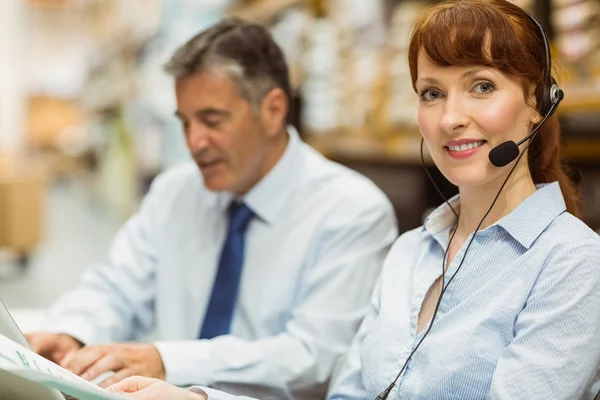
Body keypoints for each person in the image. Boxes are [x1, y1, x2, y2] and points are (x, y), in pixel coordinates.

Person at [107, 1, 600, 399]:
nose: (451, 118)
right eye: (432, 93)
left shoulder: (572, 263)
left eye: (482, 87)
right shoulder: (411, 253)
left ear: (539, 103)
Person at [25, 17, 398, 400]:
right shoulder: (176, 192)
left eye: (212, 120)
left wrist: (168, 361)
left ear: (272, 110)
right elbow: (117, 286)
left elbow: (314, 356)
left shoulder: (352, 211)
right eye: (185, 123)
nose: (194, 142)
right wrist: (71, 331)